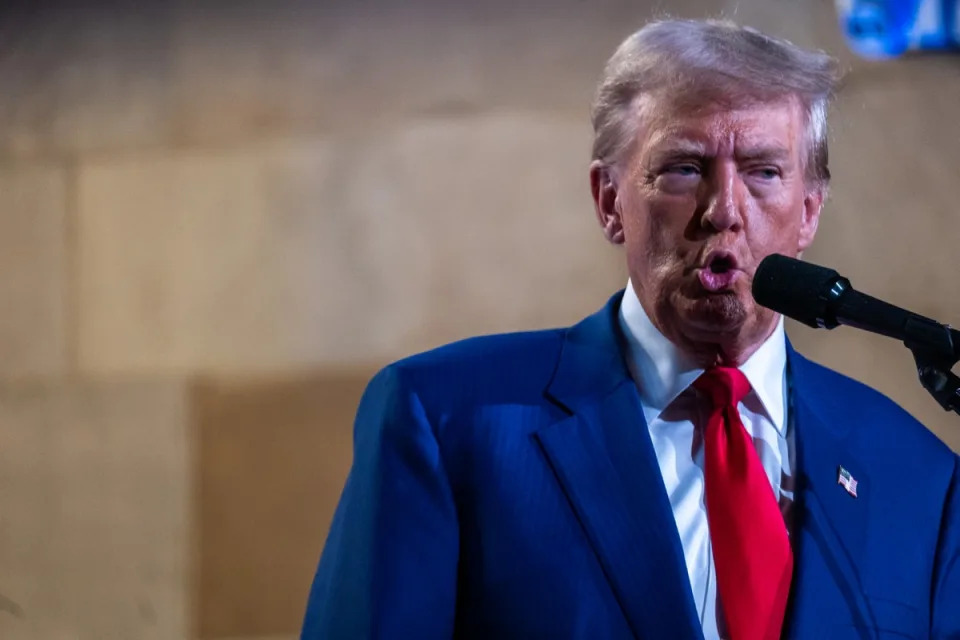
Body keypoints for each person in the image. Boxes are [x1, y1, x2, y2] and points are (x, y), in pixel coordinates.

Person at [301, 19, 960, 640]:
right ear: (610, 201)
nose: (724, 211)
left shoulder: (917, 474)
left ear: (809, 212)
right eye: (685, 169)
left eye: (763, 172)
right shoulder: (449, 423)